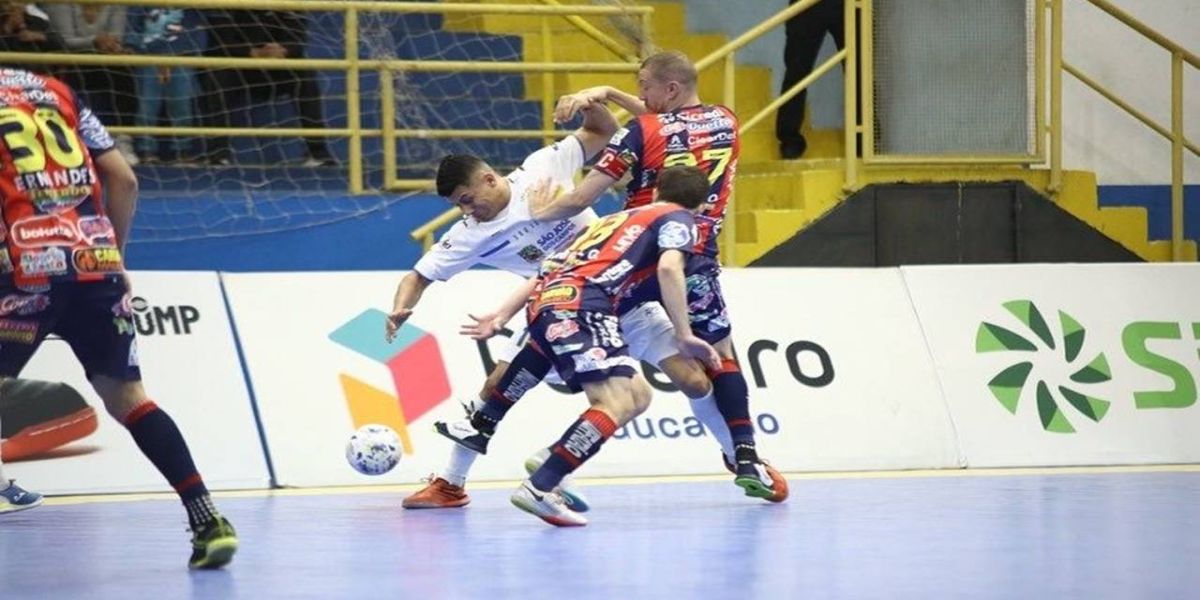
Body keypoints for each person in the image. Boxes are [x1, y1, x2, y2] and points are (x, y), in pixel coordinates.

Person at [522, 50, 788, 500]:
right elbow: (665, 124)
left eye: (644, 86)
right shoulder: (726, 121)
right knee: (722, 356)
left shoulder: (639, 132)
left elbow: (582, 197)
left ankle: (532, 446)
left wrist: (539, 210)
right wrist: (611, 94)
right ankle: (746, 456)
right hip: (695, 258)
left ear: (671, 88)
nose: (640, 95)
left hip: (633, 260)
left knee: (560, 326)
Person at [0, 68, 237, 569]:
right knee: (130, 399)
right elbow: (125, 178)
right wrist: (116, 257)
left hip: (24, 269)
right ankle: (207, 518)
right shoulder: (58, 92)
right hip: (97, 265)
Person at [385, 100, 618, 509]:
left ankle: (736, 449)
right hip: (554, 302)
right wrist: (400, 309)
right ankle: (451, 484)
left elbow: (602, 130)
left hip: (617, 284)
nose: (466, 210)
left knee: (679, 377)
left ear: (490, 179)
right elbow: (416, 276)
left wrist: (590, 100)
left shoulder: (542, 168)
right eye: (458, 206)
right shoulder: (469, 234)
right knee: (497, 385)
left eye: (467, 199)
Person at [510, 165, 720, 526]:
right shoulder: (680, 218)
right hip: (585, 305)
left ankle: (551, 459)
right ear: (701, 206)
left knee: (637, 395)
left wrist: (503, 313)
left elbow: (554, 263)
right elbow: (669, 268)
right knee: (615, 402)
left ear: (656, 191)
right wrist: (685, 334)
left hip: (558, 299)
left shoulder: (618, 217)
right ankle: (539, 486)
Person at [200, 9, 335, 166]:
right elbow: (220, 42)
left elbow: (298, 41)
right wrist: (251, 52)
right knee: (217, 76)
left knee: (305, 77)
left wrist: (283, 50)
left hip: (277, 65)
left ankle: (318, 153)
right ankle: (217, 154)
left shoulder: (290, 6)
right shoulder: (227, 6)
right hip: (238, 65)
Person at [45, 2, 139, 164]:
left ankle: (123, 139)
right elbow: (64, 40)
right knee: (71, 82)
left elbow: (115, 37)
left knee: (124, 74)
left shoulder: (116, 5)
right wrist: (95, 40)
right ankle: (69, 141)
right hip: (71, 59)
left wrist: (110, 45)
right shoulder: (61, 4)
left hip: (105, 57)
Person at [124, 7, 203, 163]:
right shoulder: (141, 5)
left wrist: (172, 56)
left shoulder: (190, 8)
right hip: (148, 60)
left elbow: (197, 35)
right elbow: (133, 33)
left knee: (181, 105)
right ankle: (146, 149)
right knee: (147, 106)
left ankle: (182, 149)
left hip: (181, 60)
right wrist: (143, 53)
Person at [776, 0, 844, 159]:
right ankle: (790, 139)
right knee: (796, 72)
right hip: (806, 5)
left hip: (847, 4)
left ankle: (865, 138)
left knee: (861, 71)